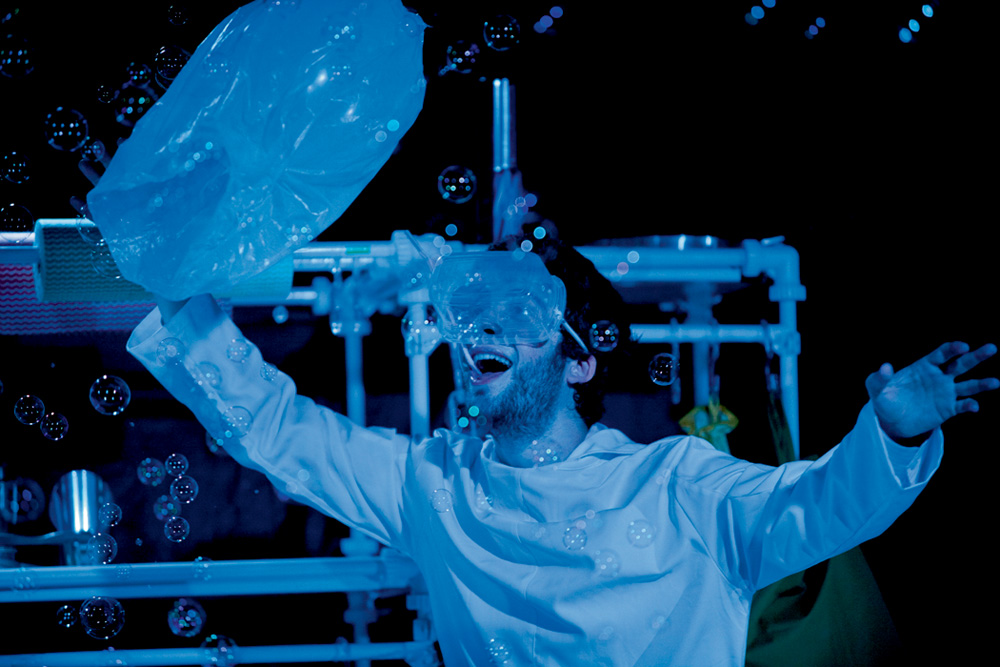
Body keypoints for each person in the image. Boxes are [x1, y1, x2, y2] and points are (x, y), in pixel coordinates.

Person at [128, 234, 997, 666]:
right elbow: (282, 430)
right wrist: (177, 295)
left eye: (518, 318)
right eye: (472, 318)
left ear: (580, 358)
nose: (481, 335)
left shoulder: (676, 484)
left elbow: (815, 505)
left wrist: (891, 430)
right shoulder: (432, 486)